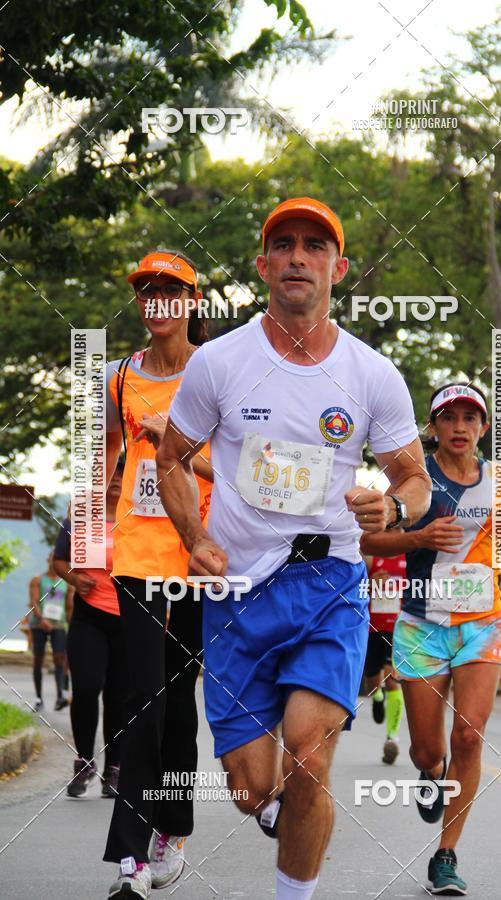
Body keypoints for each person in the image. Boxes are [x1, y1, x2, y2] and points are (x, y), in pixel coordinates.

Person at [157, 197, 431, 900]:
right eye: (284, 245)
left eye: (315, 245)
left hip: (327, 584)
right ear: (264, 265)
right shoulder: (219, 363)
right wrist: (196, 539)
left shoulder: (371, 374)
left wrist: (394, 504)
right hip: (237, 596)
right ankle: (269, 797)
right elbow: (172, 459)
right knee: (252, 790)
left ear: (338, 267)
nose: (299, 257)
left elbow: (414, 478)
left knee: (309, 759)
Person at [362, 382, 501, 895]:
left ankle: (445, 855)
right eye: (449, 417)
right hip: (422, 624)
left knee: (469, 736)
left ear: (483, 427)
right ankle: (430, 771)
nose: (459, 427)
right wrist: (417, 537)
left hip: (484, 623)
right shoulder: (417, 480)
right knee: (426, 750)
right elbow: (367, 540)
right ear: (433, 427)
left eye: (470, 417)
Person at [102, 249, 213, 900]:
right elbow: (102, 464)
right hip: (138, 558)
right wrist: (93, 546)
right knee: (139, 705)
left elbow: (237, 471)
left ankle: (172, 826)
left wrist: (174, 444)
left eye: (171, 290)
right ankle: (128, 856)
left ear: (192, 302)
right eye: (147, 291)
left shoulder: (216, 375)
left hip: (196, 560)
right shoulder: (119, 377)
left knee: (176, 709)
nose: (158, 301)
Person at [53, 460, 126, 799]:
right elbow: (59, 559)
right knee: (86, 687)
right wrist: (74, 578)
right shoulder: (81, 517)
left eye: (121, 477)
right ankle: (84, 761)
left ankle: (115, 768)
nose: (115, 482)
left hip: (128, 618)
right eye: (111, 474)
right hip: (88, 615)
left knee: (118, 695)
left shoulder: (138, 518)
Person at [360, 552, 406, 764]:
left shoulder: (410, 555)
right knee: (372, 681)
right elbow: (354, 581)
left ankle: (392, 738)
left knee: (392, 679)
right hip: (372, 629)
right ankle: (377, 697)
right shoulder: (371, 555)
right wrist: (370, 582)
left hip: (398, 629)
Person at [29, 552, 73, 712]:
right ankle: (39, 698)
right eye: (52, 559)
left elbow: (69, 608)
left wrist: (72, 625)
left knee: (59, 658)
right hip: (40, 624)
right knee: (38, 658)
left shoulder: (67, 583)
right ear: (48, 560)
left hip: (58, 625)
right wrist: (42, 619)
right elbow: (34, 602)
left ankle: (60, 695)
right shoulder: (38, 580)